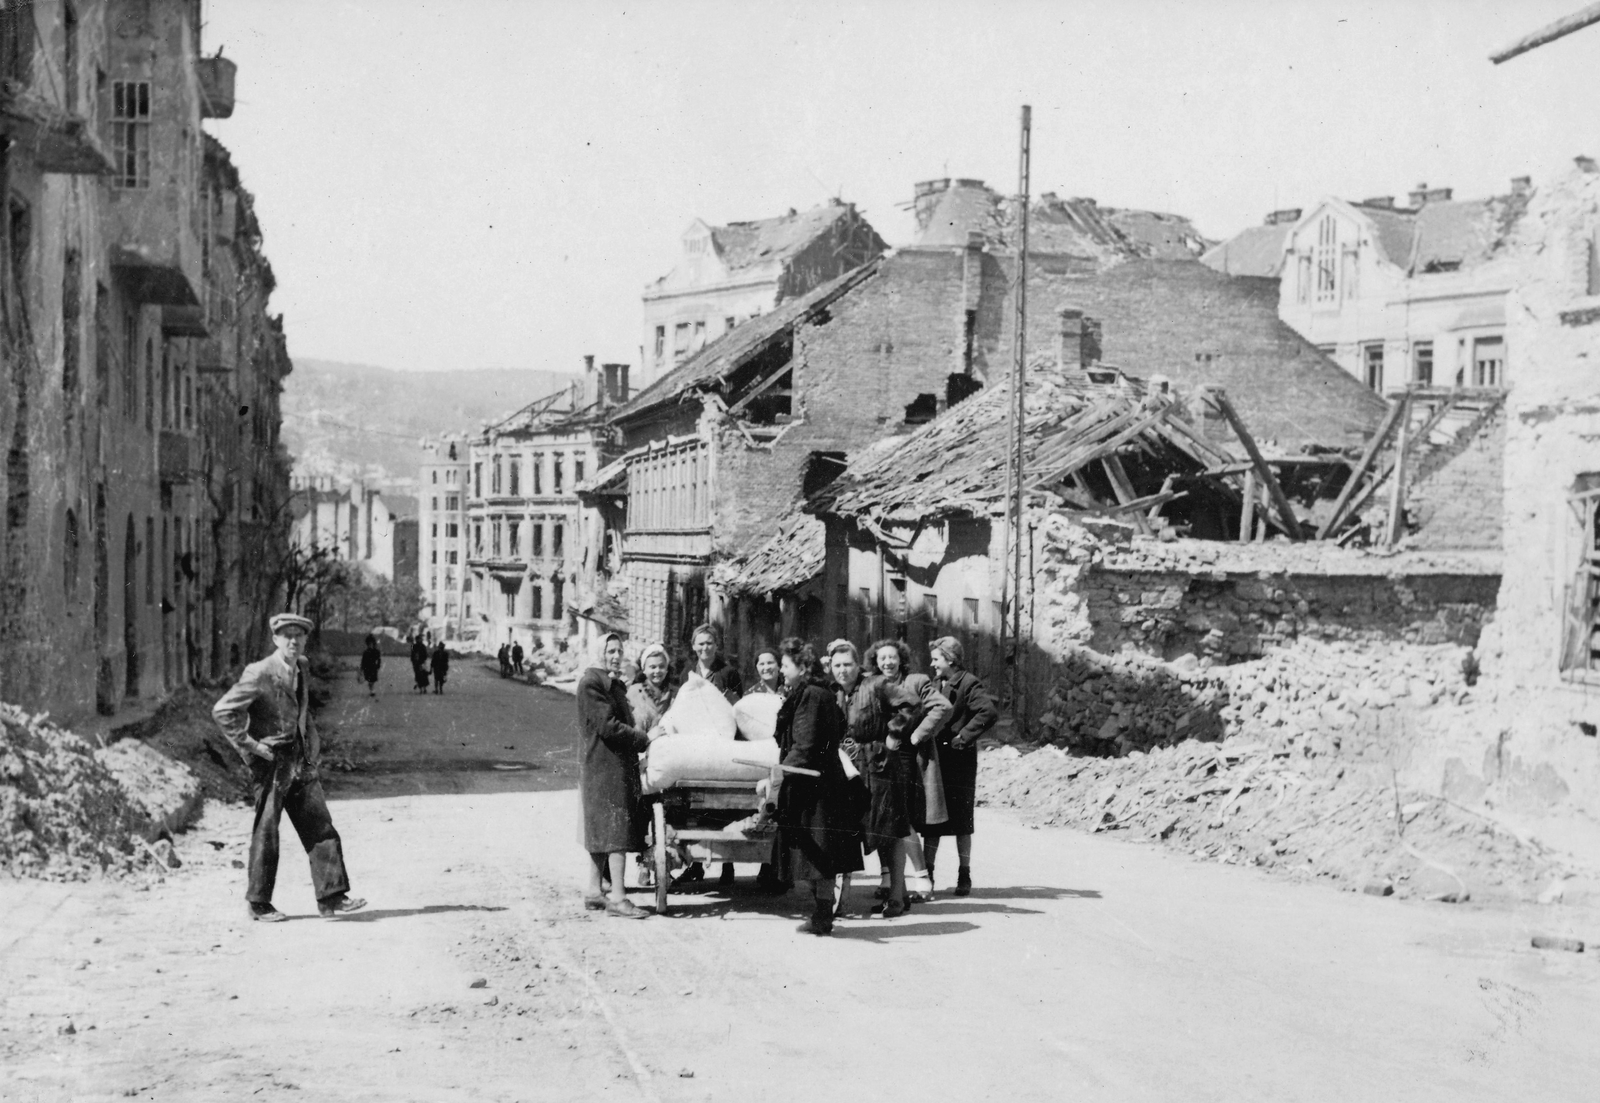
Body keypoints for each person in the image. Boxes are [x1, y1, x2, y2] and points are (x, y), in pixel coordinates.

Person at [211, 612, 366, 922]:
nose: (293, 641)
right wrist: (252, 748)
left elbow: (302, 710)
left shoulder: (302, 667)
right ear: (275, 639)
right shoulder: (259, 672)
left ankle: (332, 897)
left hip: (300, 758)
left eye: (299, 636)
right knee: (267, 830)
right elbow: (222, 711)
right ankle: (259, 903)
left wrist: (313, 739)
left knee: (320, 825)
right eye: (287, 635)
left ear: (305, 639)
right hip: (271, 763)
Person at [770, 638, 862, 935]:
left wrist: (781, 774)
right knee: (820, 850)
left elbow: (806, 744)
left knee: (820, 851)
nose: (782, 670)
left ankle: (822, 916)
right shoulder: (815, 693)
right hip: (818, 780)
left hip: (814, 784)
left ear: (803, 667)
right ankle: (822, 913)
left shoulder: (811, 695)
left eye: (785, 665)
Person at [827, 639, 915, 918]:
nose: (843, 670)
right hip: (849, 767)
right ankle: (891, 894)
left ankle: (898, 899)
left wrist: (893, 735)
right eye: (837, 665)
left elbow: (910, 703)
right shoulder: (835, 692)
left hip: (878, 766)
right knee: (863, 829)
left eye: (848, 664)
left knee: (888, 830)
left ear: (858, 665)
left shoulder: (876, 684)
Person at [578, 632, 661, 918]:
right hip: (605, 766)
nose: (615, 656)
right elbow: (609, 727)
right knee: (615, 831)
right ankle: (618, 898)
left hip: (611, 765)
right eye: (610, 650)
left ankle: (593, 891)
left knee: (601, 830)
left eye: (619, 651)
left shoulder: (610, 683)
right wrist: (644, 739)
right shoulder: (592, 682)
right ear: (598, 651)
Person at [867, 638, 951, 902]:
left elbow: (943, 706)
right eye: (882, 659)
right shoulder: (873, 684)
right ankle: (887, 878)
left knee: (902, 818)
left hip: (907, 757)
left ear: (900, 659)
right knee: (881, 816)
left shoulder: (915, 681)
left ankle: (922, 877)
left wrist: (918, 735)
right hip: (880, 756)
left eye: (892, 657)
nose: (887, 662)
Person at [924, 636, 999, 897]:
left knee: (962, 821)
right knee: (932, 818)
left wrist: (963, 737)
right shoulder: (935, 683)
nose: (932, 664)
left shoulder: (968, 683)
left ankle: (964, 874)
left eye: (936, 659)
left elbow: (987, 712)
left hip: (959, 761)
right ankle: (928, 874)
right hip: (936, 760)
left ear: (950, 660)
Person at [686, 624, 742, 703]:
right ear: (693, 646)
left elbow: (737, 705)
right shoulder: (687, 673)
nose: (705, 648)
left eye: (709, 643)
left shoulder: (729, 673)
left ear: (716, 645)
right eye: (701, 644)